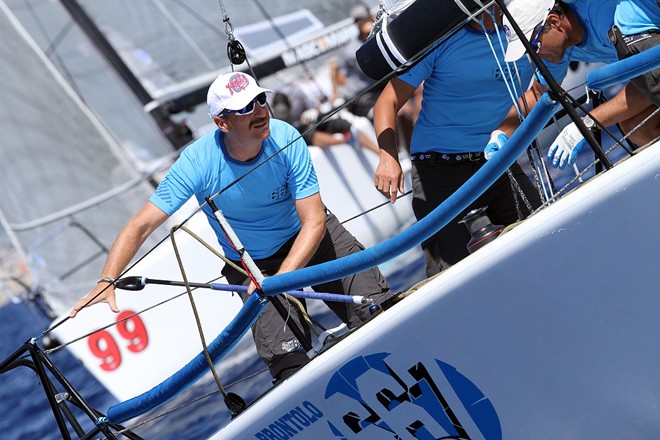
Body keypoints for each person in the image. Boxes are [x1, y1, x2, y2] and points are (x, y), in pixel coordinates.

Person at [70, 72, 392, 383]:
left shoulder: (285, 137)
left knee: (382, 316)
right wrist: (108, 279)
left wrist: (279, 280)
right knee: (291, 368)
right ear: (222, 122)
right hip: (253, 265)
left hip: (313, 238)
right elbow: (141, 225)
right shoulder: (197, 162)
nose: (260, 112)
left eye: (260, 100)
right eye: (245, 108)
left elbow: (314, 221)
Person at [372, 7, 542, 277]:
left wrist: (504, 130)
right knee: (452, 274)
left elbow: (540, 89)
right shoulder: (441, 40)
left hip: (496, 162)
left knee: (543, 234)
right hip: (439, 170)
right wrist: (388, 156)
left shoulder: (526, 30)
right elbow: (387, 102)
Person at [493, 0, 659, 170]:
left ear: (555, 22)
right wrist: (501, 133)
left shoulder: (610, 17)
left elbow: (653, 82)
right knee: (637, 127)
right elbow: (538, 94)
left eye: (535, 46)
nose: (537, 55)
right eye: (530, 51)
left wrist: (587, 123)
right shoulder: (559, 46)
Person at [271, 78, 380, 154]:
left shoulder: (297, 94)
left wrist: (313, 111)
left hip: (307, 123)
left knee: (342, 123)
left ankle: (379, 152)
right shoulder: (268, 111)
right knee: (309, 134)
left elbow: (317, 108)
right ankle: (346, 140)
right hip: (292, 135)